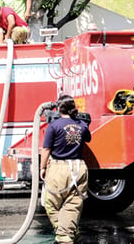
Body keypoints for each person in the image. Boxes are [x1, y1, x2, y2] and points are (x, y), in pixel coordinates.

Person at [40, 95, 92, 244]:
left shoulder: (54, 126)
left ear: (58, 109)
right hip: (78, 168)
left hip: (58, 169)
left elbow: (46, 149)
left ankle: (64, 236)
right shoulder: (82, 124)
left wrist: (42, 168)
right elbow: (88, 138)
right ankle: (70, 232)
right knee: (73, 204)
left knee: (51, 203)